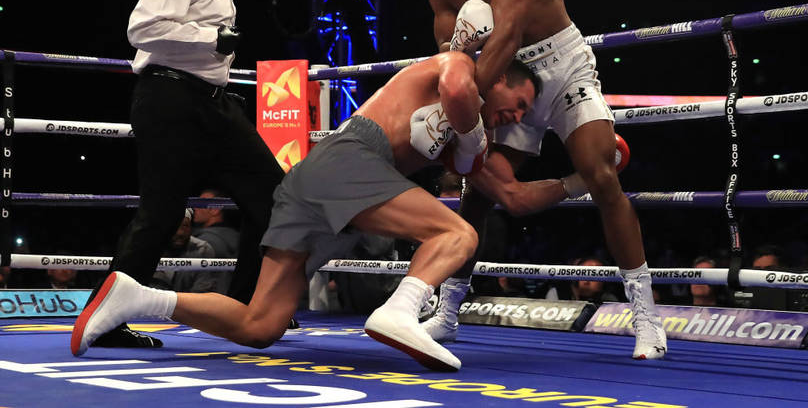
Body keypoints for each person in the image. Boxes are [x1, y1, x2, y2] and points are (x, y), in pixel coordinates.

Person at [72, 52, 583, 371]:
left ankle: (138, 297)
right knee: (458, 235)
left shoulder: (463, 131)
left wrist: (582, 180)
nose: (517, 116)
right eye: (519, 102)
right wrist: (472, 138)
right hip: (350, 160)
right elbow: (455, 89)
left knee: (260, 325)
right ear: (499, 76)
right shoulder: (458, 67)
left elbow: (513, 196)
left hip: (319, 184)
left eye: (523, 114)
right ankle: (399, 311)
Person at [398, 0, 666, 359]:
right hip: (505, 79)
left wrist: (466, 108)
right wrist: (463, 106)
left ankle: (647, 318)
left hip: (561, 69)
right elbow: (450, 55)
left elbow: (506, 35)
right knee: (477, 193)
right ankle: (448, 313)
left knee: (602, 176)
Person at [90, 0, 285, 349]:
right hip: (170, 98)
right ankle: (106, 318)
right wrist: (211, 39)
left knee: (275, 196)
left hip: (212, 103)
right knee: (161, 214)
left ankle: (247, 308)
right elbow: (142, 27)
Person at [150, 209, 219, 293]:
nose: (180, 233)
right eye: (175, 226)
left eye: (185, 226)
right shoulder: (147, 248)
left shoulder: (202, 250)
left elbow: (203, 293)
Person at [191, 188, 240, 295]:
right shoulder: (237, 238)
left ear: (215, 209)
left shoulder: (204, 242)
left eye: (201, 203)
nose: (195, 207)